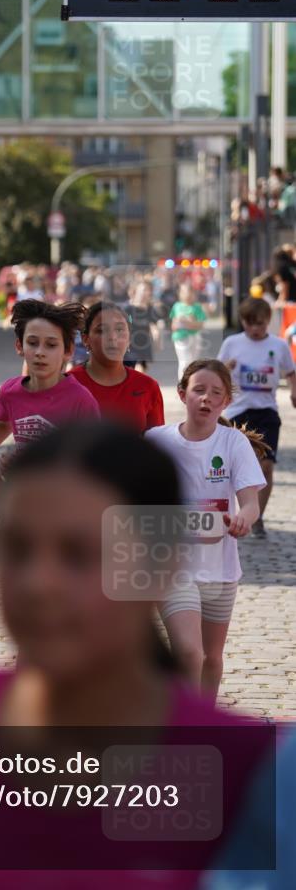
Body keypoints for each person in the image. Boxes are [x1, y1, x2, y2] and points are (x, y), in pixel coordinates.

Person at [0, 422, 273, 888]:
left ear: (158, 566)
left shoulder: (249, 769)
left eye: (78, 554)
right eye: (19, 550)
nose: (38, 584)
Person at [146, 359, 266, 699]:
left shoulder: (233, 444)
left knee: (211, 659)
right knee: (189, 652)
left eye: (216, 393)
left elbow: (250, 502)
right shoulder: (156, 440)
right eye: (199, 390)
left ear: (226, 402)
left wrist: (245, 517)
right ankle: (177, 725)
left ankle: (204, 724)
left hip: (221, 568)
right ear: (183, 394)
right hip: (172, 568)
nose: (206, 398)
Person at [0, 299, 99, 502]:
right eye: (32, 343)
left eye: (51, 345)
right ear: (19, 346)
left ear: (68, 351)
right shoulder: (10, 392)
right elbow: (2, 424)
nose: (40, 352)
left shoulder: (80, 399)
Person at [217, 297, 296, 538]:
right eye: (249, 323)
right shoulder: (232, 343)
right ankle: (234, 513)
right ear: (242, 321)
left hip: (267, 412)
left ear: (268, 322)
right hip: (237, 413)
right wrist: (226, 369)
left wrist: (294, 391)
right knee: (236, 467)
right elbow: (214, 371)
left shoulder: (279, 345)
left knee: (266, 466)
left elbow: (291, 372)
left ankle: (257, 516)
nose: (254, 329)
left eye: (260, 324)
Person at [71, 301, 164, 432]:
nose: (112, 337)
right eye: (102, 330)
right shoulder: (68, 384)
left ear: (130, 338)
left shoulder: (148, 387)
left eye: (119, 329)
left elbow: (157, 444)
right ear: (85, 339)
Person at [170, 283, 206, 379]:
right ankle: (182, 384)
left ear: (193, 294)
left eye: (189, 292)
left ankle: (191, 383)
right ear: (180, 294)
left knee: (193, 362)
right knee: (184, 361)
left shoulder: (197, 307)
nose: (187, 295)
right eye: (184, 292)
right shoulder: (176, 306)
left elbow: (200, 325)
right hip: (180, 337)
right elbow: (173, 325)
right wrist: (178, 325)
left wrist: (186, 322)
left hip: (194, 336)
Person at [125, 280, 163, 371]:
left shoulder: (150, 310)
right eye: (143, 290)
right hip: (131, 345)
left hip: (144, 345)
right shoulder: (129, 309)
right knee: (138, 370)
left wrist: (157, 337)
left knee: (142, 372)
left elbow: (154, 325)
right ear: (136, 291)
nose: (145, 293)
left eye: (147, 290)